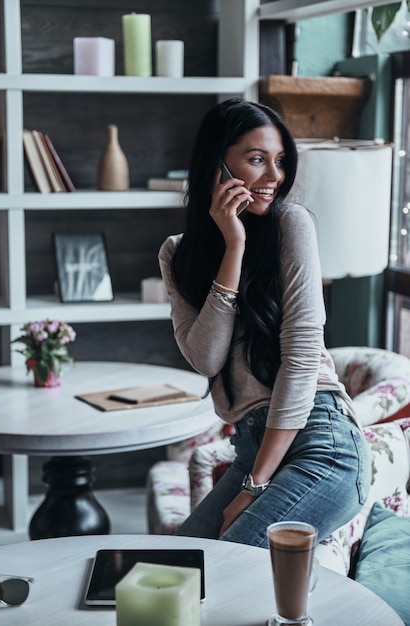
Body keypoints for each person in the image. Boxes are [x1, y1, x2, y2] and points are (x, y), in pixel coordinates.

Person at [158, 98, 371, 548]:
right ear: (216, 164)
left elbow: (300, 361)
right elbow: (205, 357)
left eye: (279, 161)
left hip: (322, 446)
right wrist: (232, 247)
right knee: (173, 566)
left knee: (226, 565)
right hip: (253, 447)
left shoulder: (291, 225)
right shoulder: (178, 253)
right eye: (257, 160)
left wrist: (254, 487)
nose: (275, 177)